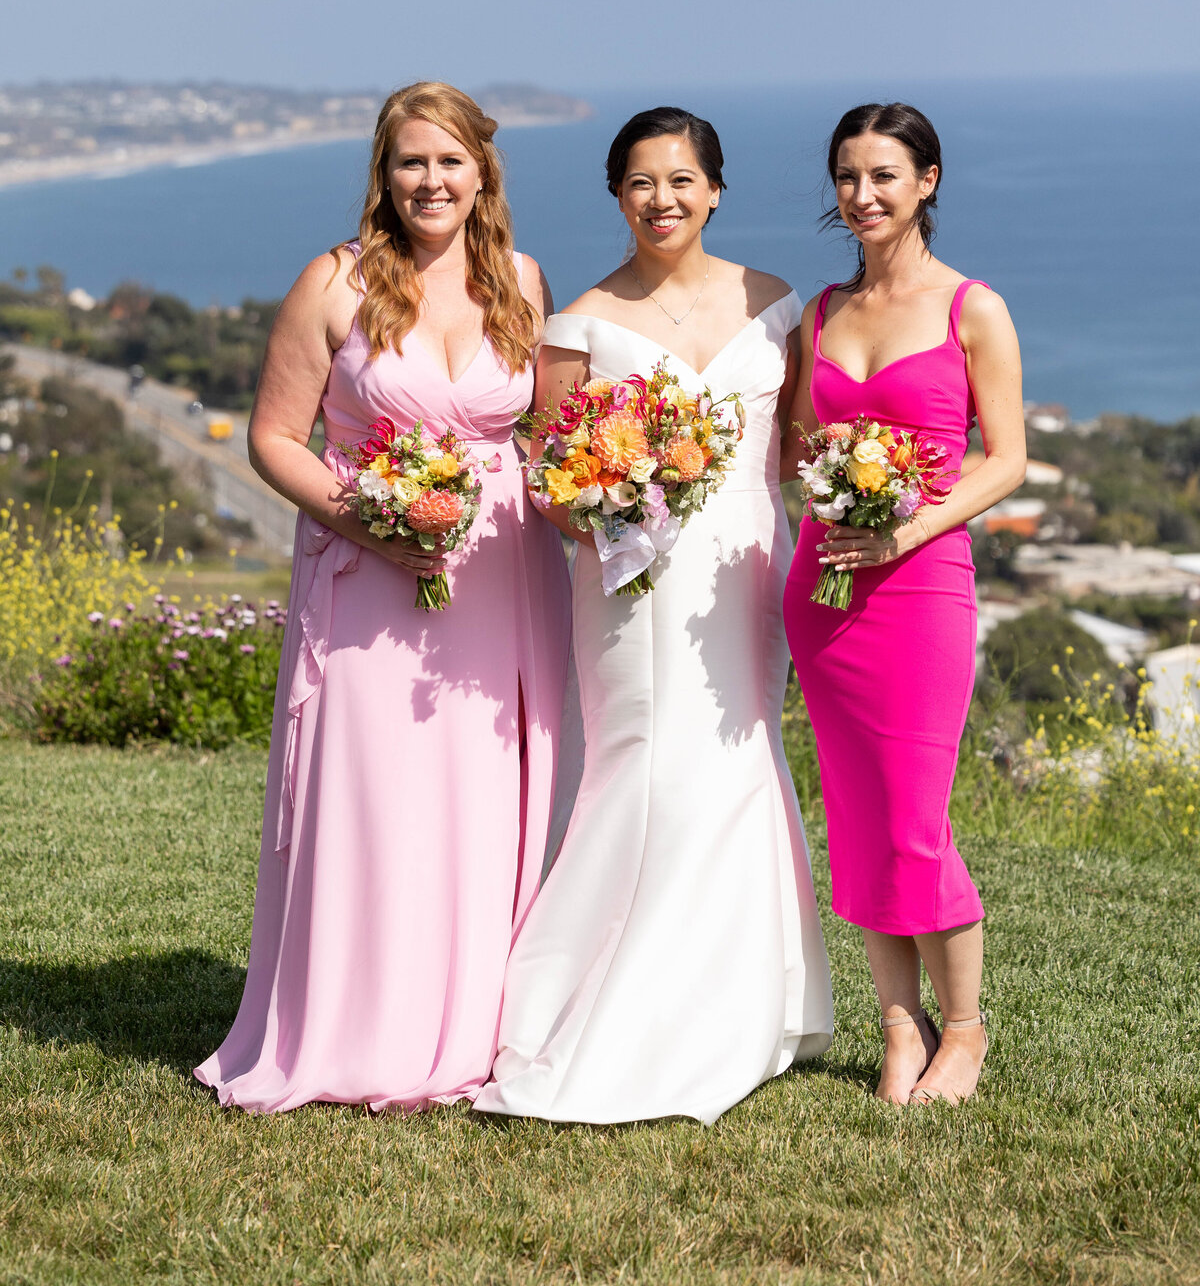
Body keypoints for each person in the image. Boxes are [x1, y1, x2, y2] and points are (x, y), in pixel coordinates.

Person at [195, 82, 571, 1113]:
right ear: (383, 173)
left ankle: (477, 1028)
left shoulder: (524, 282)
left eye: (450, 161)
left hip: (501, 572)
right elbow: (275, 435)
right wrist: (371, 519)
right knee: (374, 791)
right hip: (368, 578)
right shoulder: (336, 281)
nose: (432, 181)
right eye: (412, 162)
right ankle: (356, 1026)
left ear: (483, 170)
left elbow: (549, 432)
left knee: (483, 796)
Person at [475, 106, 834, 1127]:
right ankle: (604, 1002)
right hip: (629, 585)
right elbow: (545, 475)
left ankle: (747, 1002)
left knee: (735, 755)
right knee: (645, 764)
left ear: (715, 189)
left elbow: (799, 446)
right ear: (616, 194)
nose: (662, 200)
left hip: (744, 575)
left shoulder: (777, 305)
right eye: (640, 182)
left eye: (681, 180)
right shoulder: (578, 322)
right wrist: (609, 500)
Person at [782, 103, 1025, 1106]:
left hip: (922, 585)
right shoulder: (820, 312)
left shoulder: (974, 307)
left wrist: (904, 529)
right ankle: (898, 1023)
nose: (863, 195)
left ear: (927, 181)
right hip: (823, 585)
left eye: (884, 175)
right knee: (855, 815)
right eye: (847, 177)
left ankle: (962, 1031)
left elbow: (1006, 461)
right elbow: (802, 446)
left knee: (915, 819)